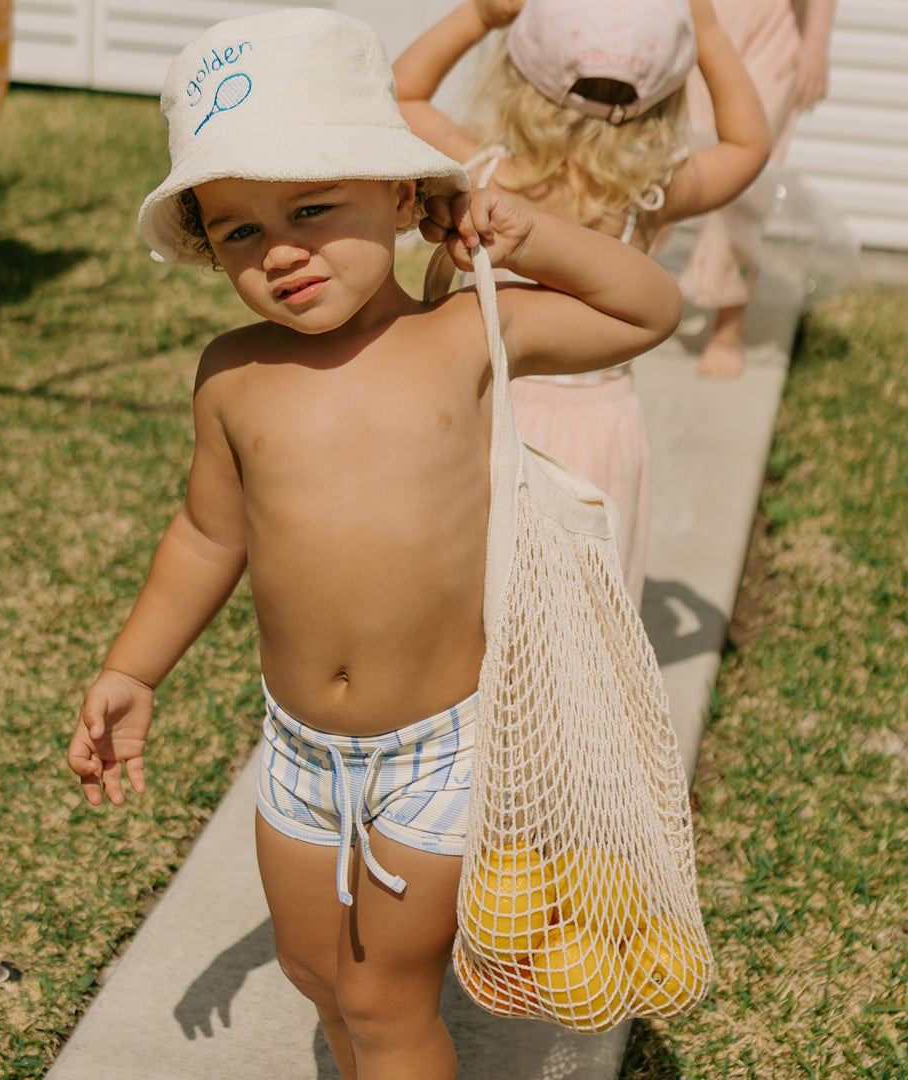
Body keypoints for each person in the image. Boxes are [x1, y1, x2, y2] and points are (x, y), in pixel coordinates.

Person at [65, 9, 682, 1079]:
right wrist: (133, 669)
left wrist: (527, 235)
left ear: (402, 194)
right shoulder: (232, 372)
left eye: (312, 206)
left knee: (383, 999)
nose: (282, 252)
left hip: (441, 752)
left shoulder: (462, 336)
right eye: (239, 231)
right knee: (314, 972)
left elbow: (647, 311)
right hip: (299, 754)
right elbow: (210, 532)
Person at [394, 0, 771, 604]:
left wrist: (479, 16)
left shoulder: (482, 172)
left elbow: (404, 92)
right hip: (595, 430)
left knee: (471, 601)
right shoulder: (647, 195)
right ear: (665, 95)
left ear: (518, 79)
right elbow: (749, 145)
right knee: (580, 612)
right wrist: (704, 29)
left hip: (481, 411)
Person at [679, 0, 838, 378]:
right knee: (673, 160)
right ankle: (619, 299)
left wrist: (816, 42)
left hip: (776, 25)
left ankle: (729, 325)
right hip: (699, 12)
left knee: (747, 174)